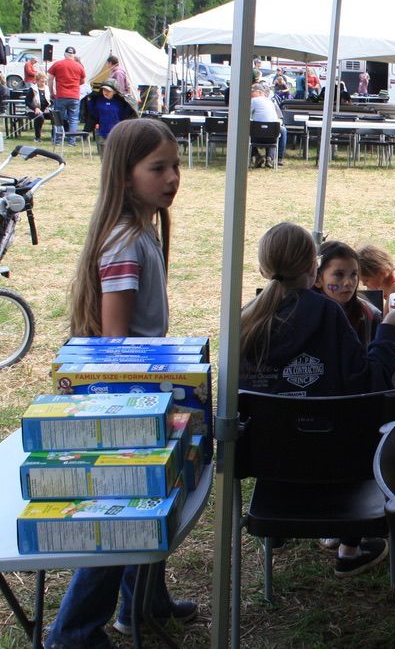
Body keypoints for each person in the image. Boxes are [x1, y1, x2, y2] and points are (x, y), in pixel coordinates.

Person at [53, 119, 196, 648]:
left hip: (145, 393)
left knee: (155, 503)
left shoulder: (140, 234)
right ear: (124, 175)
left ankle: (143, 602)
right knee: (121, 522)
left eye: (175, 166)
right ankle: (73, 632)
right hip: (125, 401)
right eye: (158, 168)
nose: (172, 177)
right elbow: (115, 347)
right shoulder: (123, 244)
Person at [238, 222, 395, 577]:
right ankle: (350, 548)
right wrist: (388, 329)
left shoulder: (245, 320)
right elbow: (370, 382)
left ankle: (281, 536)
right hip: (339, 464)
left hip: (271, 469)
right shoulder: (327, 313)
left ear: (262, 269)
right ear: (312, 270)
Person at [315, 240, 382, 351]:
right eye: (339, 274)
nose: (348, 283)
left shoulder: (369, 316)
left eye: (353, 274)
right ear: (317, 279)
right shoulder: (302, 315)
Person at [47, 46, 86, 147]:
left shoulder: (57, 64)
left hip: (61, 95)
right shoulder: (79, 66)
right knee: (73, 119)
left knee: (58, 118)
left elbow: (50, 79)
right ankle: (71, 141)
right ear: (74, 55)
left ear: (64, 54)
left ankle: (58, 140)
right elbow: (82, 81)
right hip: (74, 96)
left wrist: (51, 92)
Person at [250, 83, 286, 168]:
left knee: (243, 131)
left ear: (259, 92)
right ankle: (272, 158)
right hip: (272, 137)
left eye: (252, 92)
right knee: (282, 130)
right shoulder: (271, 102)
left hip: (256, 137)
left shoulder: (253, 101)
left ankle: (256, 155)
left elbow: (245, 116)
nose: (250, 94)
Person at [25, 71, 51, 142]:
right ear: (37, 80)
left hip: (44, 110)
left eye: (44, 81)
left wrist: (48, 107)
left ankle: (55, 136)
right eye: (41, 81)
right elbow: (27, 101)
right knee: (39, 117)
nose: (43, 82)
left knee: (55, 116)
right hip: (32, 110)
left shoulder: (47, 88)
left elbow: (49, 100)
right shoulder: (32, 89)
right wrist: (35, 108)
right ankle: (37, 137)